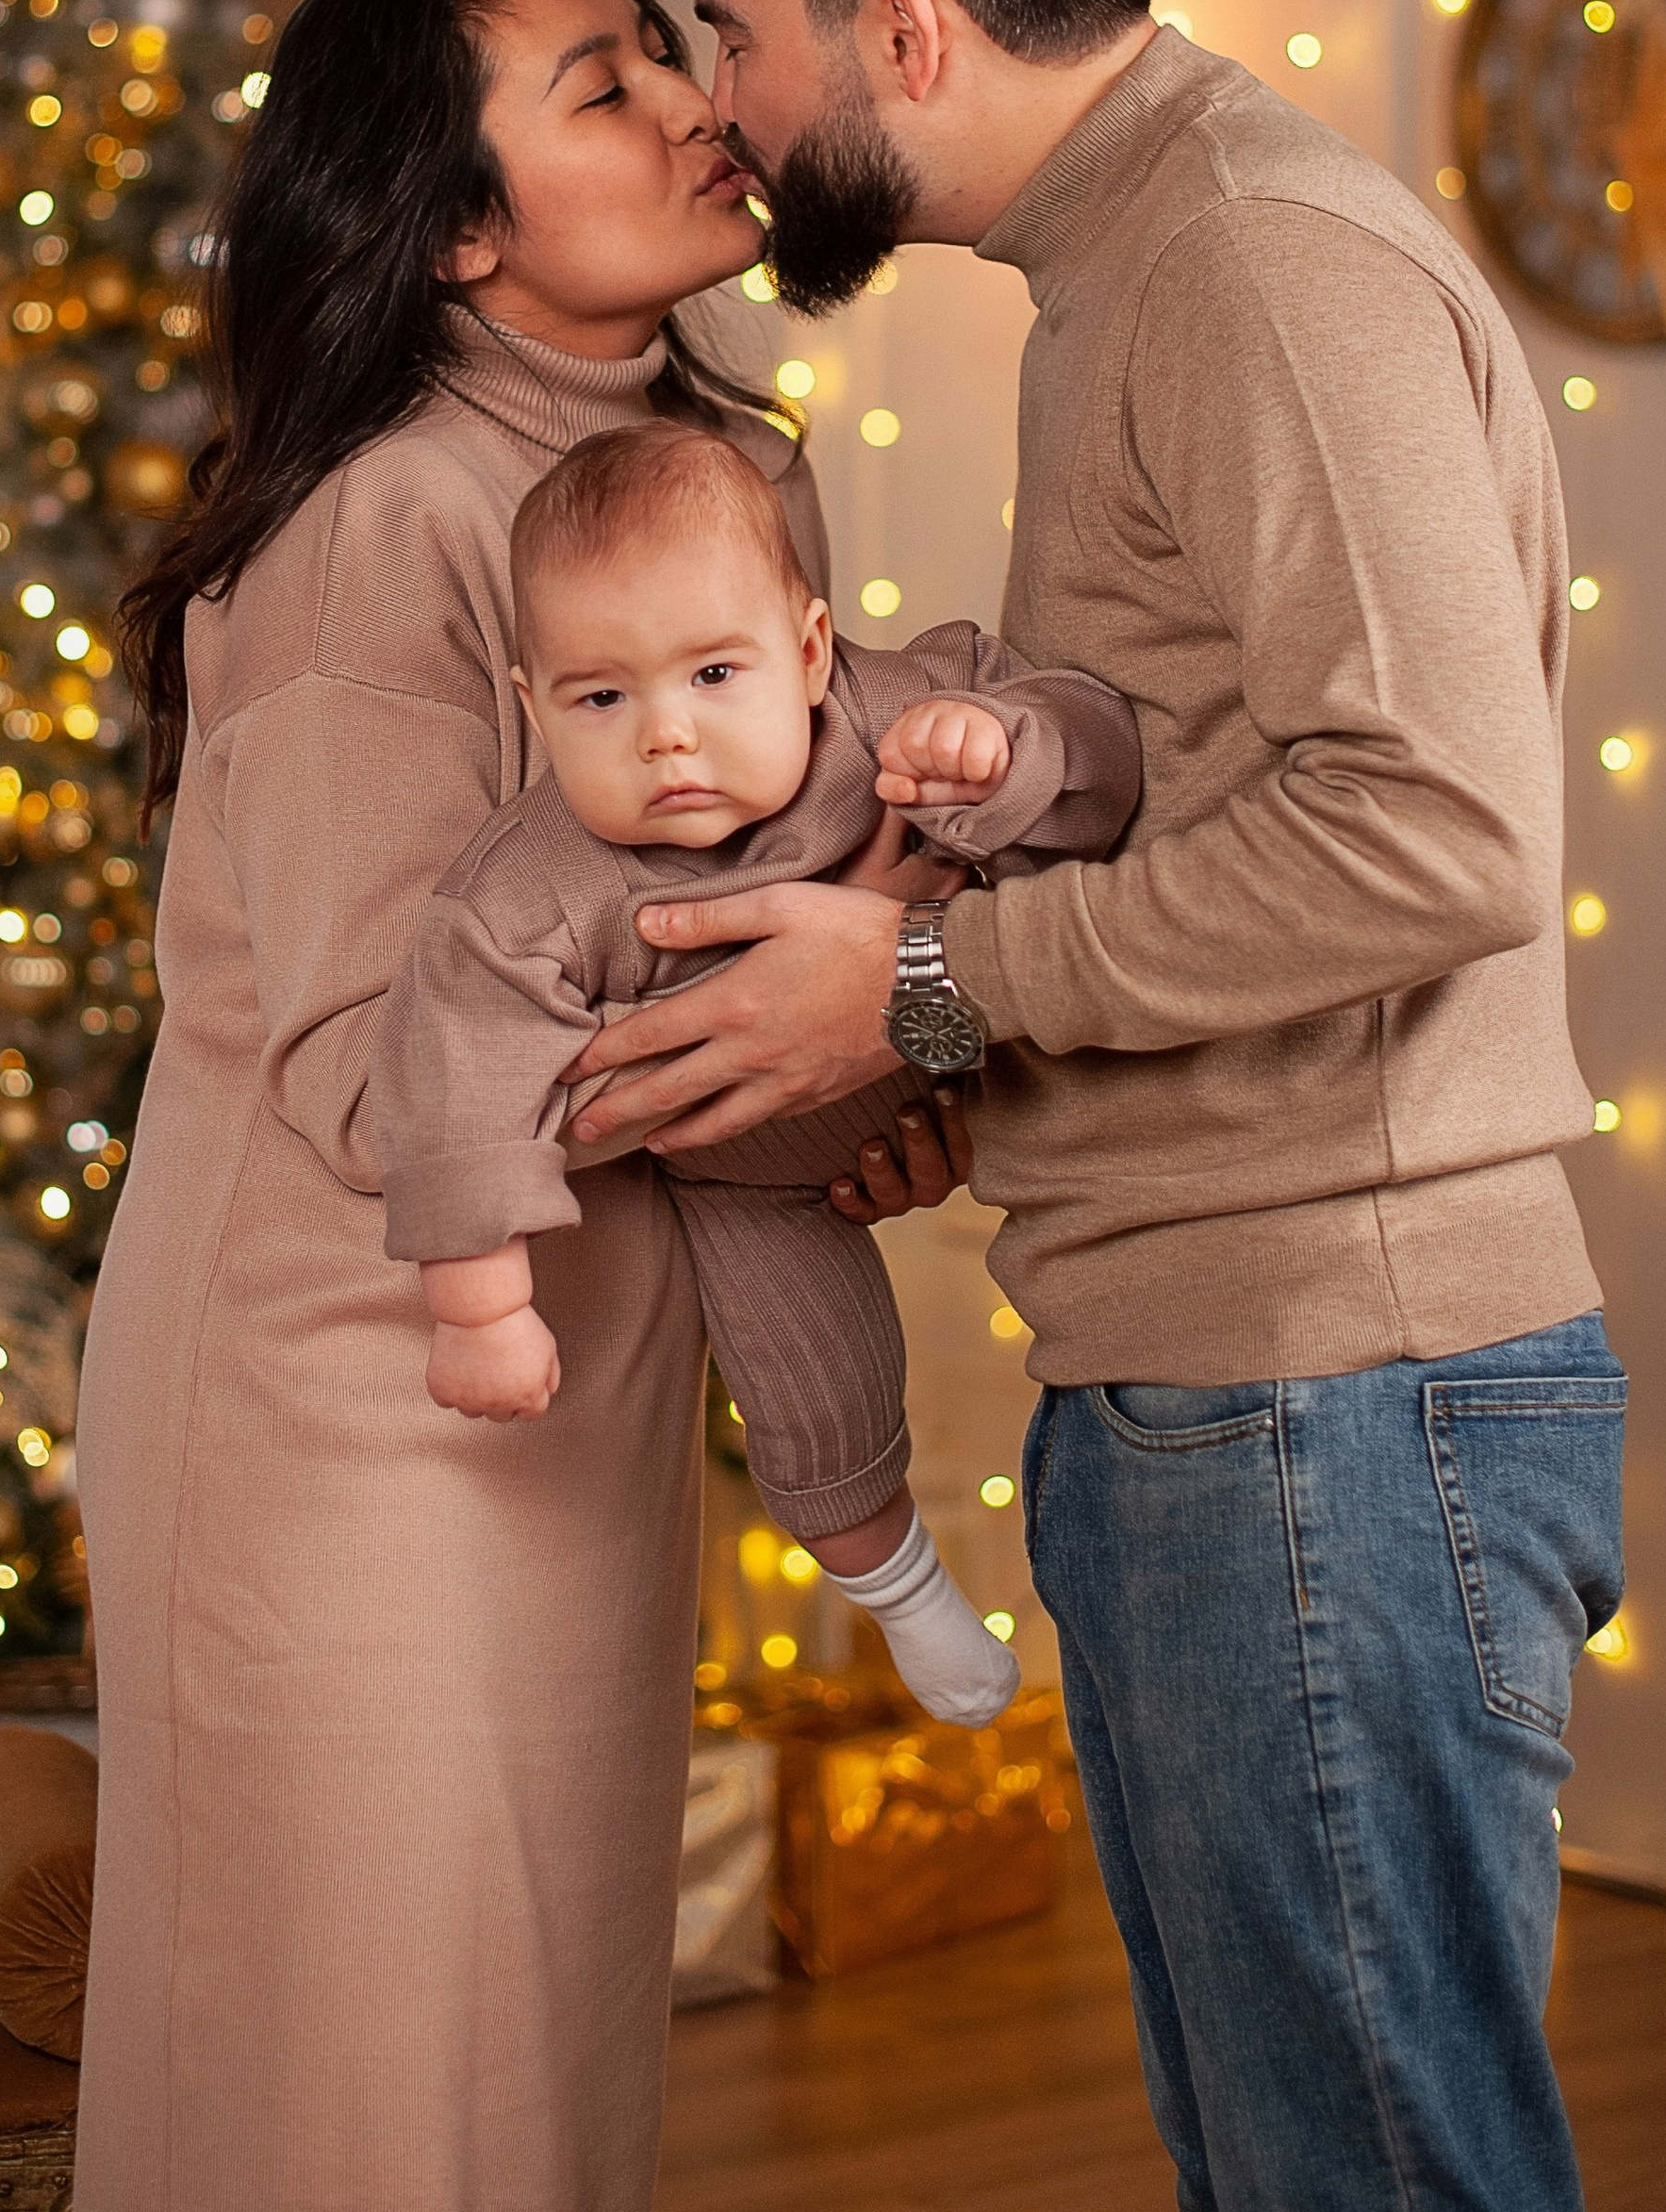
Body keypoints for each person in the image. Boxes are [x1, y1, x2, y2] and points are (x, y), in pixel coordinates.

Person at [568, 0, 1627, 2212]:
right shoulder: (1144, 274)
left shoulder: (1259, 269)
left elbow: (1433, 839)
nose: (712, 100)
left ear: (903, 34)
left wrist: (925, 994)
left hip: (1334, 1395)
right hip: (1247, 1384)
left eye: (731, 27)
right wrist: (953, 1041)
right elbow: (1221, 812)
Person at [65, 0, 962, 2212]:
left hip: (556, 1392)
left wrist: (842, 1072)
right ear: (456, 227)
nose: (694, 98)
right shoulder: (383, 534)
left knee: (516, 2115)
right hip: (344, 1415)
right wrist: (805, 1041)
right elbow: (376, 1066)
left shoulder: (680, 476)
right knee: (358, 2138)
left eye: (671, 48)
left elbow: (718, 929)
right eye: (601, 82)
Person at [376, 415, 1140, 1725]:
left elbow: (1109, 762)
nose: (665, 737)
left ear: (808, 650)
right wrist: (481, 1306)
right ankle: (906, 1596)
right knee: (813, 1398)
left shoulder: (896, 711)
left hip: (984, 1064)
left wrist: (1010, 753)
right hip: (757, 1184)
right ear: (530, 705)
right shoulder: (526, 890)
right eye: (601, 698)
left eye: (714, 676)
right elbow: (457, 1084)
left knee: (1067, 1010)